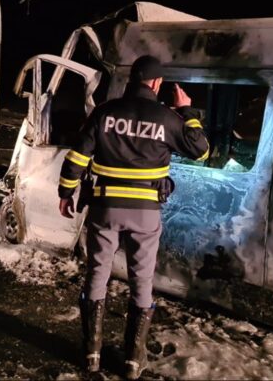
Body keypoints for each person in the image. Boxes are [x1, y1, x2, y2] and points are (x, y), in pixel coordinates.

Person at [57, 55, 209, 379]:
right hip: (145, 213)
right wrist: (187, 111)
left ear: (132, 80)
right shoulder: (167, 118)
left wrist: (65, 192)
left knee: (98, 273)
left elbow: (77, 156)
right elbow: (201, 149)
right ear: (156, 84)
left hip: (105, 208)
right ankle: (133, 361)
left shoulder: (105, 112)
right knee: (142, 281)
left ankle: (92, 355)